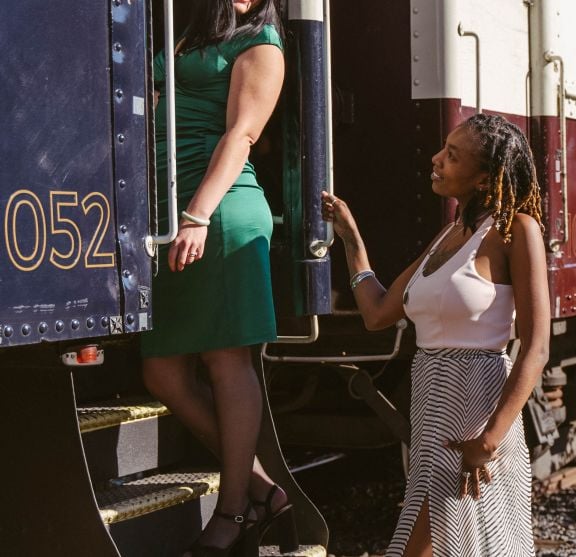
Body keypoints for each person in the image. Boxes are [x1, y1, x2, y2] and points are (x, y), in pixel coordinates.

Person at [323, 113, 550, 556]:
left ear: (485, 177)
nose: (436, 159)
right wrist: (351, 239)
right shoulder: (449, 234)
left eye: (452, 155)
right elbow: (377, 313)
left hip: (476, 411)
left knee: (435, 546)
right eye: (443, 149)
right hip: (432, 406)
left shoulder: (516, 231)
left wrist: (489, 439)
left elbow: (536, 347)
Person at [140, 1, 289, 555]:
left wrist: (197, 216)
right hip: (171, 211)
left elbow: (242, 135)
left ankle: (233, 513)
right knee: (162, 371)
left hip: (218, 211)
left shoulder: (262, 42)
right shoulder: (193, 27)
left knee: (227, 361)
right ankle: (257, 488)